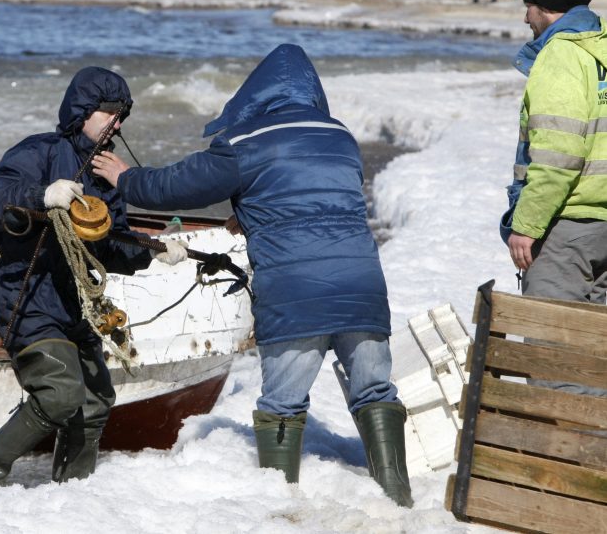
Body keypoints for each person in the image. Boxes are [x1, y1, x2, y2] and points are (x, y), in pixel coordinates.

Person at [92, 44, 414, 507]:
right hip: (362, 286)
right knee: (375, 391)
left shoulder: (246, 143)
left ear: (257, 92)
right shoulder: (340, 135)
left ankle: (280, 505)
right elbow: (314, 198)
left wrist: (125, 178)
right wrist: (253, 211)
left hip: (295, 293)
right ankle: (398, 498)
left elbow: (178, 186)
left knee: (283, 405)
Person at [0, 67, 184, 507]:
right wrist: (42, 195)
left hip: (76, 302)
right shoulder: (39, 151)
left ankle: (70, 500)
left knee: (96, 401)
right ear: (82, 112)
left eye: (123, 115)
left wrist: (153, 250)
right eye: (110, 113)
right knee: (61, 394)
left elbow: (110, 245)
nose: (117, 123)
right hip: (28, 293)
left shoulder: (107, 175)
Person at [501, 0, 607, 397]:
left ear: (544, 7)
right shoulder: (601, 49)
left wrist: (526, 226)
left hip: (568, 229)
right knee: (594, 358)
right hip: (602, 228)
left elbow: (559, 155)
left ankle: (560, 461)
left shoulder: (561, 55)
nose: (525, 16)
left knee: (554, 360)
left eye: (528, 6)